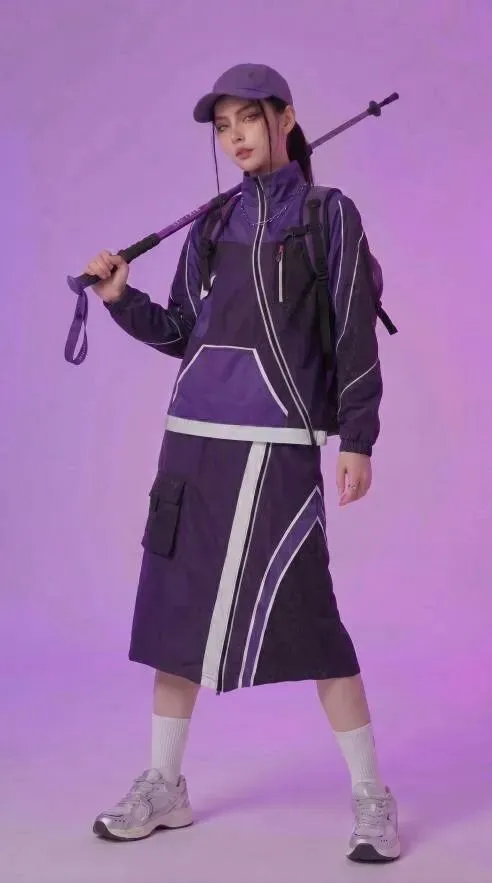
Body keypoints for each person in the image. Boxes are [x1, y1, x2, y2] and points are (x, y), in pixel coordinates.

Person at [86, 63, 400, 863]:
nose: (235, 136)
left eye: (247, 119)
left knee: (314, 619)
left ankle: (372, 795)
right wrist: (121, 301)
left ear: (285, 118)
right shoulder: (212, 224)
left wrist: (357, 437)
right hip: (192, 440)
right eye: (223, 126)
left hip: (276, 446)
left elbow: (354, 333)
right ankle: (164, 785)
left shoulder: (328, 214)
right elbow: (182, 332)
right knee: (174, 615)